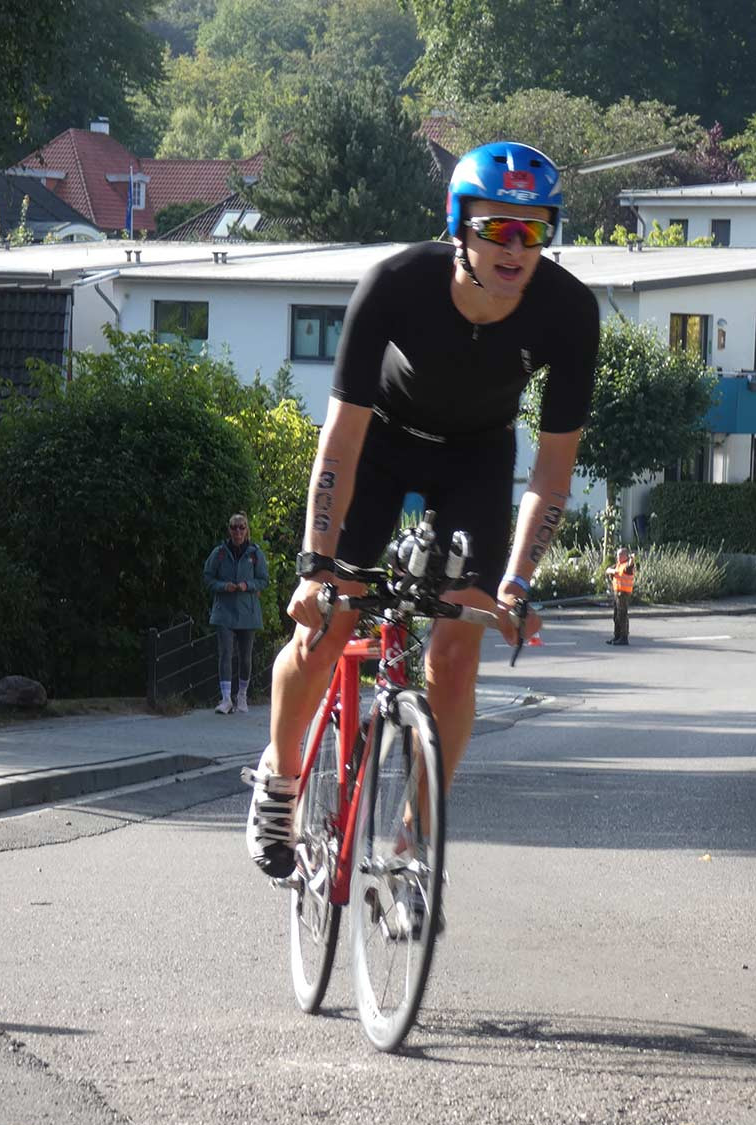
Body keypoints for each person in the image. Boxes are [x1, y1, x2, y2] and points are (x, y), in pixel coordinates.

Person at [243, 141, 600, 879]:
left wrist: (518, 582)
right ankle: (278, 782)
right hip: (381, 445)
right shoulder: (397, 284)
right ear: (459, 227)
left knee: (457, 651)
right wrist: (315, 565)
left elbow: (553, 468)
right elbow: (340, 437)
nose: (514, 247)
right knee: (329, 623)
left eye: (532, 231)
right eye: (497, 228)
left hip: (476, 458)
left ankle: (412, 840)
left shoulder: (569, 312)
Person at [203, 513, 269, 714]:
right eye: (234, 527)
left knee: (245, 657)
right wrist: (224, 586)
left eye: (241, 527)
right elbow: (208, 577)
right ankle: (225, 699)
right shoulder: (219, 553)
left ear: (247, 529)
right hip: (224, 611)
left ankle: (242, 695)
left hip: (247, 612)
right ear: (229, 530)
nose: (238, 531)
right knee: (225, 654)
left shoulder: (255, 554)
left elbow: (264, 580)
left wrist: (246, 585)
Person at [605, 546, 635, 645]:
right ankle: (617, 636)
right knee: (616, 616)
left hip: (623, 594)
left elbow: (631, 564)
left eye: (619, 555)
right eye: (617, 555)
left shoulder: (627, 565)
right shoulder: (618, 565)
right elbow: (607, 570)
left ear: (624, 556)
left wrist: (632, 558)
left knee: (622, 616)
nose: (617, 557)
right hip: (617, 593)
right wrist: (613, 571)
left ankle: (624, 638)